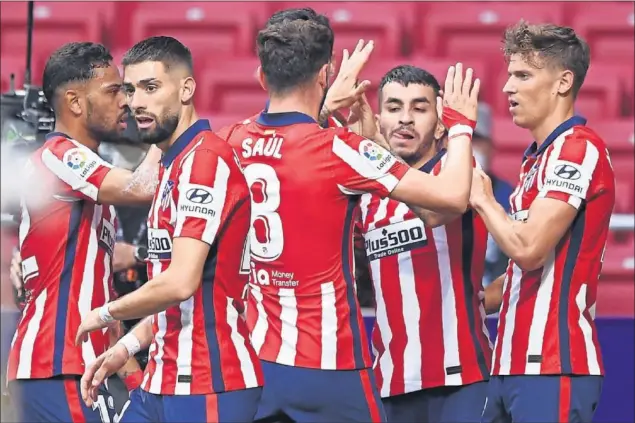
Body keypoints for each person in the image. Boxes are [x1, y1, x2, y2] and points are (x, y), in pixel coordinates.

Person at [222, 15, 480, 422]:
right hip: (327, 364)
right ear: (325, 73)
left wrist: (326, 109)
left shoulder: (229, 141)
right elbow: (449, 197)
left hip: (252, 360)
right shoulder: (340, 148)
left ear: (260, 76)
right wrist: (462, 127)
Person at [75, 36, 263, 423]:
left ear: (187, 89)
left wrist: (106, 313)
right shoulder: (171, 165)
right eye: (130, 89)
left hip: (209, 383)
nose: (136, 102)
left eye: (151, 87)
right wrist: (126, 346)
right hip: (160, 380)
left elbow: (179, 284)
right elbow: (178, 302)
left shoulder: (205, 162)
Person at [6, 41, 161, 423]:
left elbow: (98, 305)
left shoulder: (90, 193)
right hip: (56, 364)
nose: (124, 101)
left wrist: (134, 378)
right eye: (112, 91)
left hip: (78, 368)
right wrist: (168, 126)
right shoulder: (60, 155)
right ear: (75, 102)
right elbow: (143, 186)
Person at [474, 21, 614, 423]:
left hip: (553, 362)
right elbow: (524, 268)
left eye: (522, 75)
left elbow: (530, 249)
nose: (507, 88)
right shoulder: (537, 157)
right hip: (510, 362)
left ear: (562, 82)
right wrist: (478, 301)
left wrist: (484, 200)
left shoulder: (578, 149)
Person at [354, 65, 492, 423]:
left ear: (441, 121)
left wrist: (377, 156)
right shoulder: (367, 194)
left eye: (419, 108)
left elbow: (439, 209)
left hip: (462, 378)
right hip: (390, 381)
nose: (405, 119)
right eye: (394, 107)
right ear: (379, 118)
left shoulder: (457, 170)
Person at [470, 103, 514, 287]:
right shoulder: (427, 191)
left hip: (492, 305)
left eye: (476, 139)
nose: (468, 147)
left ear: (491, 148)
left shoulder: (511, 198)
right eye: (460, 138)